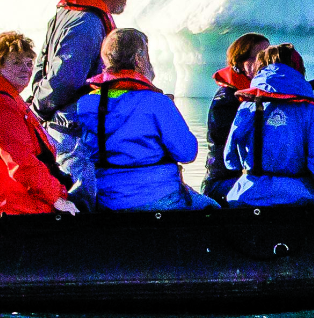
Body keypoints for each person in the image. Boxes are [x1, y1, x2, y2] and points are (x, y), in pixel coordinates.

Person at [65, 28, 207, 211]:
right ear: (139, 59)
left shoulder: (87, 103)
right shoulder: (157, 102)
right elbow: (187, 153)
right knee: (211, 207)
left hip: (109, 201)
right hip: (162, 199)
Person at [0, 32, 75, 217]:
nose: (25, 69)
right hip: (1, 206)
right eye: (16, 63)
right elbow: (22, 161)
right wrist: (57, 198)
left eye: (29, 64)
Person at [27, 0, 133, 132]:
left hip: (60, 120)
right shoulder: (87, 23)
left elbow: (42, 63)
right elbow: (66, 77)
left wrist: (38, 102)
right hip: (71, 127)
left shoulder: (67, 13)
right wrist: (39, 110)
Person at [224, 48, 314, 204]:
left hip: (249, 197)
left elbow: (230, 160)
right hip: (299, 200)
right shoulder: (308, 110)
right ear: (299, 69)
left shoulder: (247, 106)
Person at [204, 31, 271, 196]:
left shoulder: (260, 97)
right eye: (260, 57)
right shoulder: (225, 101)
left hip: (252, 180)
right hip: (224, 183)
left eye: (269, 56)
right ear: (241, 63)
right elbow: (236, 152)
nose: (267, 63)